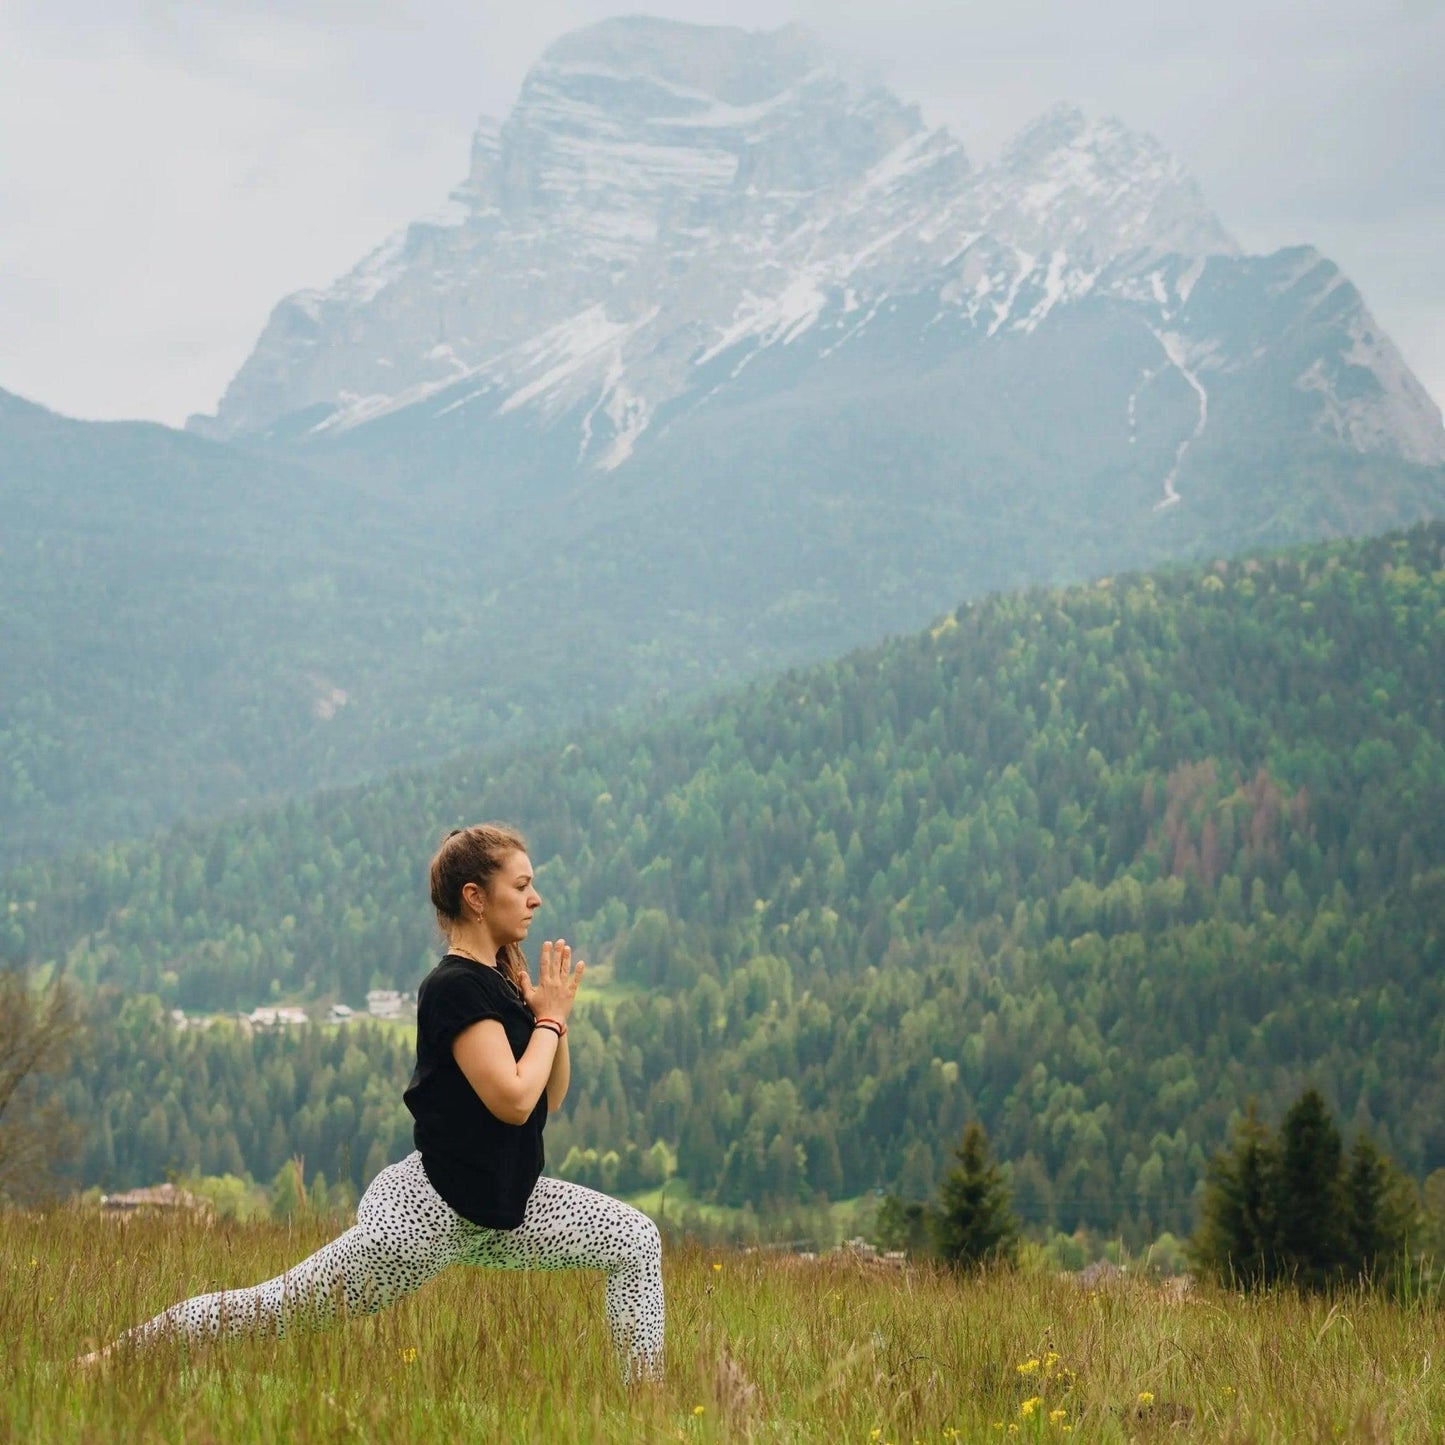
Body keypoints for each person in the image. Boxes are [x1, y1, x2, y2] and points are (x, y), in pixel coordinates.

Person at [81, 823, 665, 1383]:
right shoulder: (455, 987)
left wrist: (547, 1018)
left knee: (635, 1241)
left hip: (506, 1207)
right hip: (425, 1219)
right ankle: (112, 1361)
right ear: (475, 897)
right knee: (274, 1312)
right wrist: (551, 1020)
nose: (535, 899)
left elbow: (549, 1095)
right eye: (521, 885)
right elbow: (512, 1101)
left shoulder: (502, 981)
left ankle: (650, 1407)